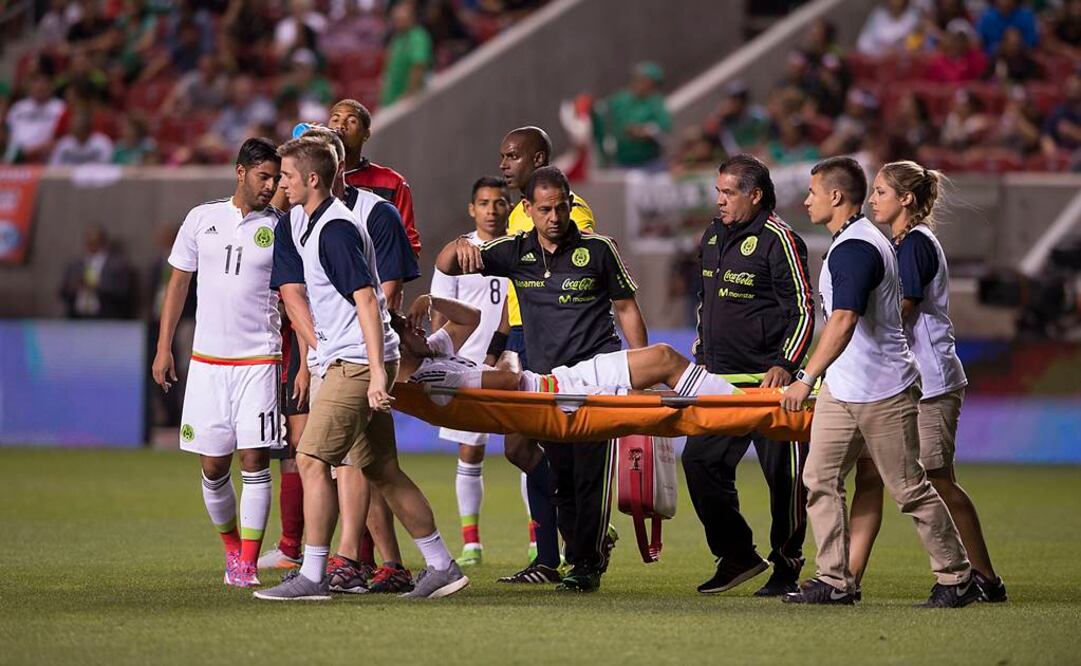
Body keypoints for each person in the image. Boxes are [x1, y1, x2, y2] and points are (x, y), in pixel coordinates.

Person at [255, 137, 466, 601]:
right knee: (382, 470)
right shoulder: (311, 222)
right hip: (352, 357)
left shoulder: (334, 229)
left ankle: (314, 575)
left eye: (287, 176)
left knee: (311, 459)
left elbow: (368, 301)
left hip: (355, 361)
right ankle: (441, 565)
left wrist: (376, 374)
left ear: (312, 179)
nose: (280, 184)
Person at [436, 166, 649, 593]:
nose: (555, 217)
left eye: (562, 207)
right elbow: (446, 264)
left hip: (596, 381)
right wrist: (459, 246)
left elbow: (626, 309)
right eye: (546, 209)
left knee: (589, 476)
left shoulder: (599, 249)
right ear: (528, 209)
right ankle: (580, 553)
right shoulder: (514, 252)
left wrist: (638, 371)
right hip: (547, 385)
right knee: (560, 476)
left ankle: (585, 565)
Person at [780, 157, 977, 608]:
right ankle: (834, 580)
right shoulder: (857, 240)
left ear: (835, 196)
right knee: (820, 478)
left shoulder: (855, 248)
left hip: (882, 389)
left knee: (909, 487)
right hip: (844, 387)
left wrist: (805, 378)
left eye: (812, 192)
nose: (806, 201)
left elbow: (844, 320)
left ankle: (957, 577)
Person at [846, 160, 1007, 602]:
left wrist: (853, 333)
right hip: (903, 380)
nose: (873, 199)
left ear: (906, 199)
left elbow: (901, 310)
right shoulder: (899, 243)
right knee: (872, 474)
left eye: (881, 191)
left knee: (936, 479)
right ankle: (845, 579)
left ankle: (983, 578)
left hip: (929, 381)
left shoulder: (915, 244)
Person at [151, 138, 284, 588]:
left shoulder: (282, 228)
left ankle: (247, 562)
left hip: (260, 359)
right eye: (264, 177)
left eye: (276, 178)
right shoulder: (200, 218)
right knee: (212, 466)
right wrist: (164, 347)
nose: (271, 186)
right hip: (208, 363)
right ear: (240, 172)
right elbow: (178, 286)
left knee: (255, 458)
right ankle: (231, 548)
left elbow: (296, 294)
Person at [682, 154, 814, 597]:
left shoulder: (781, 239)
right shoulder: (713, 235)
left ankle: (787, 566)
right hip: (721, 383)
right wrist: (703, 354)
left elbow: (803, 310)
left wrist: (785, 363)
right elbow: (705, 302)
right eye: (717, 192)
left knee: (785, 479)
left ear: (754, 195)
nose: (719, 200)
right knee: (699, 463)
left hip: (770, 386)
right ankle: (737, 554)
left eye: (727, 193)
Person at [494, 126, 600, 584]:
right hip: (522, 337)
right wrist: (499, 344)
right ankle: (561, 544)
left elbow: (582, 259)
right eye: (503, 156)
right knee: (519, 448)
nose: (504, 164)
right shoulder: (518, 215)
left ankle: (563, 552)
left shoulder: (571, 211)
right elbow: (516, 287)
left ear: (538, 159)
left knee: (562, 451)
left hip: (560, 338)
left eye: (512, 156)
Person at [394, 295, 739, 399]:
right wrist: (511, 350)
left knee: (664, 362)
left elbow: (470, 318)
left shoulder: (431, 353)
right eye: (409, 328)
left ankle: (742, 406)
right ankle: (745, 409)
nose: (419, 327)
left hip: (559, 383)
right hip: (559, 397)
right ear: (399, 346)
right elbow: (508, 380)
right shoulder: (432, 377)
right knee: (659, 394)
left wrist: (431, 299)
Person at [429, 176, 512, 567]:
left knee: (526, 447)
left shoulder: (520, 250)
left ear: (510, 207)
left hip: (511, 362)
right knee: (470, 451)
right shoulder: (458, 253)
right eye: (484, 203)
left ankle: (538, 540)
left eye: (499, 202)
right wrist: (439, 360)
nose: (491, 210)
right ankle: (471, 543)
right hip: (467, 365)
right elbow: (440, 309)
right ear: (471, 209)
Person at [327, 98, 421, 256]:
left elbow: (409, 246)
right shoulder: (313, 177)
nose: (340, 126)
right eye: (335, 119)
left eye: (351, 121)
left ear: (366, 134)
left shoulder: (392, 182)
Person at [592, 62, 672, 169]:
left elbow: (664, 130)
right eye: (638, 79)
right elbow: (601, 112)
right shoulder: (621, 99)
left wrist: (645, 131)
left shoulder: (655, 103)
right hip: (623, 162)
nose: (639, 84)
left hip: (650, 163)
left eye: (645, 81)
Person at [60, 224, 135, 320]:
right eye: (89, 241)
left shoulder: (117, 265)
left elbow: (123, 292)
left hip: (106, 318)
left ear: (103, 241)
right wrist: (74, 287)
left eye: (95, 241)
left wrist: (98, 287)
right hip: (77, 317)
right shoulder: (75, 264)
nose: (92, 244)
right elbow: (62, 290)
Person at [381, 1, 433, 107]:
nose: (398, 22)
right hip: (391, 100)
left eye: (401, 18)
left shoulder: (418, 36)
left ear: (411, 17)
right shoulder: (397, 39)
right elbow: (389, 69)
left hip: (407, 102)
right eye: (396, 19)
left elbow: (418, 65)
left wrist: (409, 95)